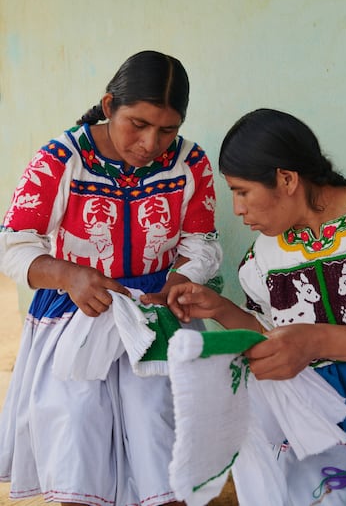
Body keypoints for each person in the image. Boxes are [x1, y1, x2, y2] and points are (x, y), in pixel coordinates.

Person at [150, 108, 346, 505]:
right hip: (327, 429)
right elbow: (278, 343)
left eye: (242, 191)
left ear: (287, 179)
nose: (237, 209)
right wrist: (221, 308)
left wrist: (317, 341)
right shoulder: (263, 260)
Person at [0, 50, 223, 506]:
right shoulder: (61, 159)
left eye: (167, 129)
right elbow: (13, 243)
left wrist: (175, 282)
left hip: (156, 314)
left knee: (160, 425)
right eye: (137, 124)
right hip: (74, 313)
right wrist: (68, 275)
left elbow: (201, 241)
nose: (150, 142)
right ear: (108, 106)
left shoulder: (190, 163)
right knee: (77, 425)